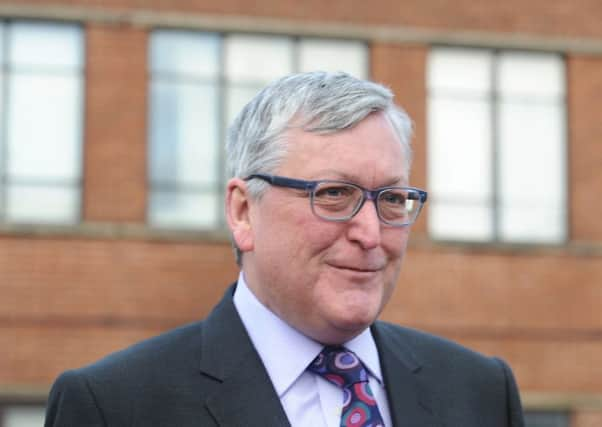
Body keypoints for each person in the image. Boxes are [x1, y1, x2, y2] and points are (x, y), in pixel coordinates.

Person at [45, 71, 524, 427]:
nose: (371, 234)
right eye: (334, 195)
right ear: (243, 212)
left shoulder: (479, 393)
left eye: (392, 199)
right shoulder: (114, 406)